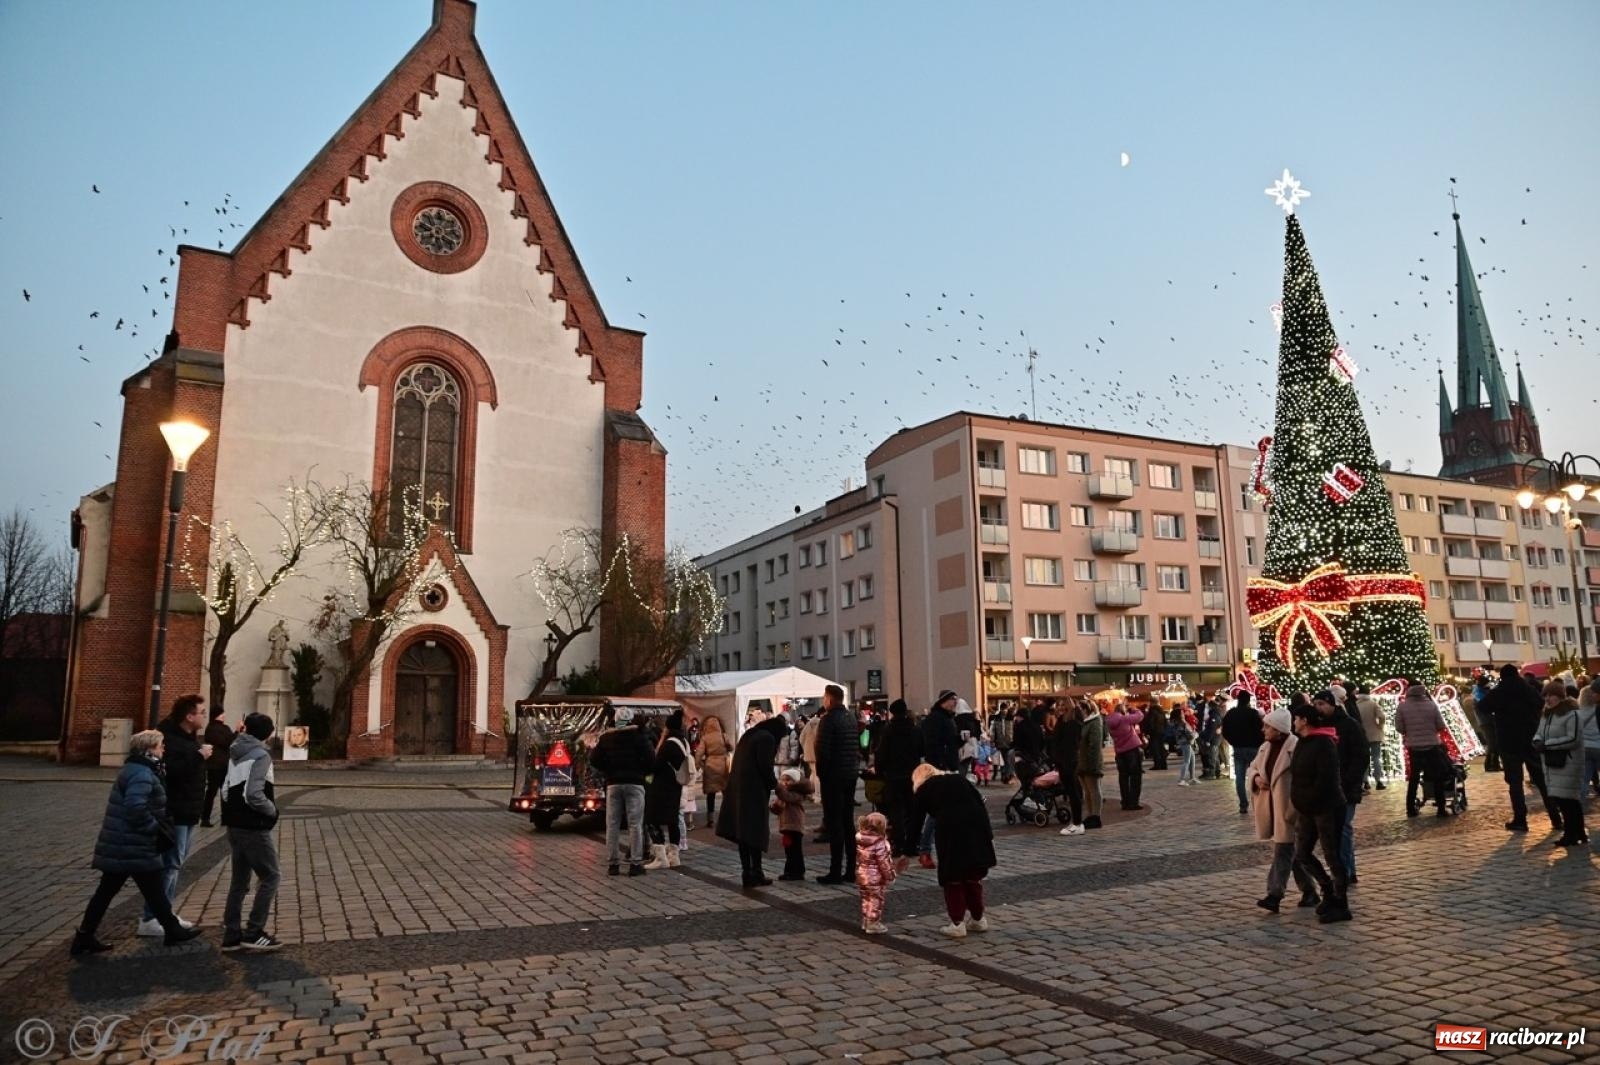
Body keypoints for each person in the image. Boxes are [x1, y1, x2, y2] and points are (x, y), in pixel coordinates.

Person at [71, 730, 205, 956]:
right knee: (149, 889)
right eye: (161, 745)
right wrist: (154, 829)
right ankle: (170, 929)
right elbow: (135, 808)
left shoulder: (138, 768)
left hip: (126, 843)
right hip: (132, 844)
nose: (164, 749)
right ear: (150, 748)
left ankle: (85, 936)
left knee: (123, 891)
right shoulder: (142, 773)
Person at [134, 694, 211, 937]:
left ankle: (164, 913)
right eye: (201, 711)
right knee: (169, 864)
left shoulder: (186, 737)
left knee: (174, 864)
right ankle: (152, 917)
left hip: (187, 810)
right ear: (189, 716)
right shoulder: (168, 740)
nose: (204, 716)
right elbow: (171, 773)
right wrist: (199, 756)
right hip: (174, 812)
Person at [220, 712, 282, 951]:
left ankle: (232, 934)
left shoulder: (235, 751)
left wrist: (231, 814)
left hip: (234, 824)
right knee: (271, 876)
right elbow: (254, 794)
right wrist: (272, 811)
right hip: (254, 826)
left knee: (239, 882)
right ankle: (254, 931)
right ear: (268, 734)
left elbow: (225, 789)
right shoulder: (261, 755)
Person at [911, 764, 996, 938]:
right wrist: (989, 836)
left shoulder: (924, 790)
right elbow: (980, 805)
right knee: (973, 876)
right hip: (977, 831)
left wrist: (907, 852)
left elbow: (915, 824)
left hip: (952, 835)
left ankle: (957, 923)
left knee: (953, 879)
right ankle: (978, 919)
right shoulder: (959, 780)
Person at [1249, 708, 1316, 913]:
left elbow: (1304, 779)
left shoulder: (1295, 748)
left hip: (1290, 808)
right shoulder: (1265, 748)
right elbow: (1253, 768)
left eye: (1268, 726)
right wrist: (1256, 778)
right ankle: (1311, 891)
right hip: (1272, 807)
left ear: (1278, 729)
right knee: (1293, 853)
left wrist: (1296, 807)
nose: (1264, 729)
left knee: (1283, 851)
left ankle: (1274, 894)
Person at [1289, 705, 1349, 924]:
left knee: (1332, 854)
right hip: (1307, 809)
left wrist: (1311, 799)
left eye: (1296, 718)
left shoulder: (1324, 743)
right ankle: (1327, 888)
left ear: (1304, 720)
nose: (1294, 722)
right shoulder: (1302, 743)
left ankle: (1341, 903)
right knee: (1302, 853)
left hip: (1326, 807)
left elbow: (1327, 779)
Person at [1481, 664, 1558, 833]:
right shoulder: (1528, 689)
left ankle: (1520, 819)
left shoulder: (1499, 691)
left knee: (1514, 782)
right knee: (1541, 780)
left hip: (1508, 742)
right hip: (1530, 739)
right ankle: (1556, 817)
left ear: (1502, 676)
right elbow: (1540, 703)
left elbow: (1483, 707)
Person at [716, 716, 790, 887]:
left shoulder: (750, 734)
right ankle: (756, 872)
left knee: (744, 833)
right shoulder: (767, 738)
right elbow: (765, 767)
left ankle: (746, 872)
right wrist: (777, 787)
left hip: (738, 789)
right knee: (755, 832)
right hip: (754, 792)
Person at [591, 713, 656, 876]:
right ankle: (635, 863)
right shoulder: (639, 737)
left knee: (612, 824)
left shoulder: (607, 738)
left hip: (613, 783)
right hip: (635, 783)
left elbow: (594, 759)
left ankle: (613, 864)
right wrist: (643, 772)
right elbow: (651, 759)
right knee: (635, 824)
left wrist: (608, 770)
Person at [1315, 688, 1368, 885]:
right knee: (1331, 831)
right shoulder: (1318, 726)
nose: (1318, 708)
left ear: (1333, 704)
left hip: (1346, 786)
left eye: (1322, 704)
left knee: (1343, 828)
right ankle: (1341, 871)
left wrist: (1350, 780)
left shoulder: (1349, 725)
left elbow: (1361, 755)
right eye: (1316, 704)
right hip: (1327, 787)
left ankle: (1346, 871)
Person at [814, 684, 861, 884]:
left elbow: (822, 751)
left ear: (830, 699)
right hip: (849, 775)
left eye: (825, 698)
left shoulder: (828, 720)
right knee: (847, 822)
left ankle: (835, 870)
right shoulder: (850, 718)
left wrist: (822, 775)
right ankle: (851, 869)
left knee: (835, 824)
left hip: (833, 777)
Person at [1534, 681, 1587, 847]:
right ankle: (1576, 832)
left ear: (1560, 696)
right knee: (1563, 799)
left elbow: (1573, 738)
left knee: (1568, 800)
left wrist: (1548, 744)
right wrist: (1537, 741)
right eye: (1546, 695)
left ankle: (1572, 833)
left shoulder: (1572, 714)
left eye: (1551, 695)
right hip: (1552, 763)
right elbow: (1539, 732)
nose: (1548, 699)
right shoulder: (1547, 714)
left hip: (1568, 762)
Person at [873, 699, 924, 860]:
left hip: (893, 776)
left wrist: (880, 771)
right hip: (912, 775)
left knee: (896, 811)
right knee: (912, 810)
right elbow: (922, 749)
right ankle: (913, 844)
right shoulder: (915, 729)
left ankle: (899, 843)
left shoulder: (889, 730)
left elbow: (881, 754)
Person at [917, 690, 962, 866]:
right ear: (943, 701)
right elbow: (932, 745)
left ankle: (945, 847)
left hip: (949, 767)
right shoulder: (935, 719)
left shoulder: (948, 718)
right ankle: (925, 850)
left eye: (955, 700)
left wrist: (959, 740)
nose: (955, 703)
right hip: (940, 770)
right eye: (952, 700)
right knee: (937, 811)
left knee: (948, 810)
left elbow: (949, 742)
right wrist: (941, 765)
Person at [642, 711, 690, 869]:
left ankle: (661, 857)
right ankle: (674, 856)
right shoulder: (683, 741)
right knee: (673, 820)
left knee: (652, 819)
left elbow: (656, 765)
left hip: (662, 787)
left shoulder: (669, 744)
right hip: (676, 786)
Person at [1394, 684, 1450, 818]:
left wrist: (1410, 732)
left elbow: (1399, 727)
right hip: (1432, 745)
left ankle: (1410, 809)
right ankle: (1441, 808)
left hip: (1414, 747)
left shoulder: (1402, 706)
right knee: (1437, 776)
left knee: (1414, 777)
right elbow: (1441, 725)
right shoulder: (1431, 705)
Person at [1223, 692, 1265, 816]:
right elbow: (1260, 730)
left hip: (1238, 748)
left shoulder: (1231, 713)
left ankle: (1243, 805)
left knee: (1240, 778)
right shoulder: (1253, 713)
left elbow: (1225, 731)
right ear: (1248, 700)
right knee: (1257, 775)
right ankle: (1259, 803)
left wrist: (1233, 742)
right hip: (1253, 748)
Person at [855, 811, 897, 934]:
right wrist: (890, 876)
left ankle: (866, 920)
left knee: (865, 898)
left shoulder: (861, 839)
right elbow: (884, 863)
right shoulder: (880, 843)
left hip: (862, 874)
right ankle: (873, 923)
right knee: (876, 899)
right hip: (875, 877)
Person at [1105, 701, 1145, 811]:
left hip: (1119, 751)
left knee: (1123, 777)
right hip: (1132, 750)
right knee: (1135, 776)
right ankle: (1133, 802)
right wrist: (1133, 709)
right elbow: (1140, 716)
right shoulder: (1124, 719)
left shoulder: (1109, 721)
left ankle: (1125, 802)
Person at [1052, 704, 1085, 836]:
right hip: (1065, 761)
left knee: (1074, 791)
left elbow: (1060, 739)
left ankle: (1077, 823)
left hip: (1068, 761)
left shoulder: (1072, 726)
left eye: (1063, 710)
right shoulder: (1069, 724)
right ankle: (1077, 822)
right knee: (1073, 791)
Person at [774, 768, 813, 881]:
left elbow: (787, 797)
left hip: (794, 826)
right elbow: (779, 807)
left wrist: (778, 788)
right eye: (783, 780)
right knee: (789, 850)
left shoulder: (797, 793)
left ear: (795, 781)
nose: (785, 782)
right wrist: (774, 807)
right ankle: (789, 871)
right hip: (786, 826)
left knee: (795, 850)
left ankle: (797, 872)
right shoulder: (785, 793)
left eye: (788, 780)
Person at [200, 704, 234, 826]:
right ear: (218, 715)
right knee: (214, 792)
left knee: (222, 791)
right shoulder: (213, 728)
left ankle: (223, 817)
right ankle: (206, 818)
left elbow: (230, 741)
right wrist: (235, 733)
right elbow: (226, 742)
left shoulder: (219, 728)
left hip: (221, 764)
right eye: (222, 713)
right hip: (216, 765)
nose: (224, 715)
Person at [1077, 699, 1105, 829]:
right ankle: (1090, 815)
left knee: (1094, 789)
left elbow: (1095, 744)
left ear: (1086, 709)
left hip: (1090, 762)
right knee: (1087, 791)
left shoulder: (1095, 722)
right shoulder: (1083, 723)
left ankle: (1096, 816)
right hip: (1082, 761)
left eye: (1080, 709)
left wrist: (1092, 764)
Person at [698, 716, 730, 829]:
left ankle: (710, 820)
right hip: (723, 766)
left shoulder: (705, 738)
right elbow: (731, 747)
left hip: (710, 765)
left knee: (710, 795)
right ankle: (727, 817)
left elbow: (699, 754)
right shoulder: (723, 735)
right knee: (726, 793)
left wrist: (700, 765)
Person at [1355, 687, 1387, 790]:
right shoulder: (1373, 703)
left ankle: (1365, 782)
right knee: (1376, 758)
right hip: (1374, 734)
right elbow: (1382, 716)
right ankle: (1378, 781)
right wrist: (1380, 726)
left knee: (1364, 759)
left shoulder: (1356, 705)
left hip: (1361, 735)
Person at [1577, 682, 1600, 803]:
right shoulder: (1597, 710)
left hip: (1584, 748)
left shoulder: (1578, 713)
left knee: (1584, 778)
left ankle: (1580, 802)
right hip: (1598, 747)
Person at [1173, 702, 1198, 786]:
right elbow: (1187, 733)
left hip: (1185, 742)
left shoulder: (1179, 722)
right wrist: (1194, 735)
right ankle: (1182, 779)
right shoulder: (1181, 723)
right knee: (1186, 761)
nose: (1183, 713)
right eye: (1182, 713)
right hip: (1186, 742)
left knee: (1192, 758)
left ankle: (1192, 778)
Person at [1144, 701, 1169, 770]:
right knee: (1161, 748)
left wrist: (1148, 732)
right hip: (1162, 732)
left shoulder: (1152, 712)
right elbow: (1166, 722)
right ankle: (1164, 764)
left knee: (1155, 749)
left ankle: (1157, 765)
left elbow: (1150, 723)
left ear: (1151, 703)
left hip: (1154, 733)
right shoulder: (1161, 711)